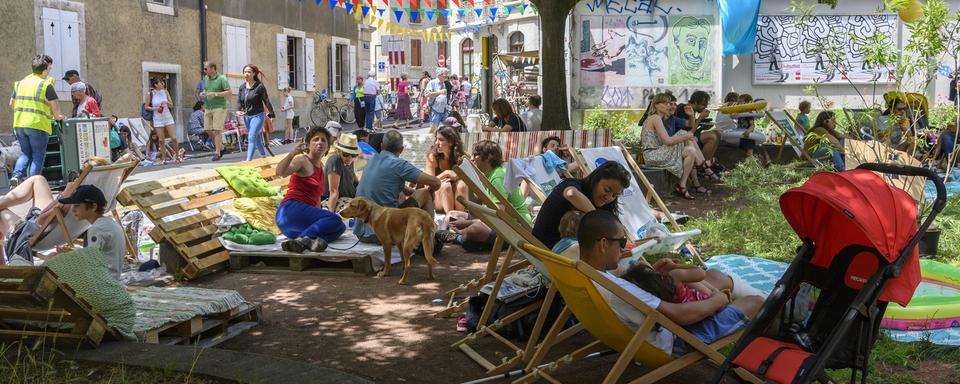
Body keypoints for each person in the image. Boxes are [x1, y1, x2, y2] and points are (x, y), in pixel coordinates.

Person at [577, 210, 763, 357]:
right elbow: (680, 316)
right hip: (675, 341)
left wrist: (654, 278)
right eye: (621, 241)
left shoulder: (579, 272)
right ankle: (780, 322)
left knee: (713, 275)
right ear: (602, 244)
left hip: (636, 334)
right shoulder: (617, 288)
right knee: (756, 302)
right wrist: (719, 300)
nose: (624, 248)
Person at [440, 140, 533, 252]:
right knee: (451, 215)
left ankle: (458, 237)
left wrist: (467, 223)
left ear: (488, 157)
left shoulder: (498, 177)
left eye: (476, 154)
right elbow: (479, 204)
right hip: (492, 220)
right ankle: (463, 238)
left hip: (513, 227)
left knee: (474, 230)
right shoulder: (488, 174)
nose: (473, 158)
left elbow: (499, 214)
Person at [0, 157, 112, 247]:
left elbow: (41, 220)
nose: (78, 176)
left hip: (40, 232)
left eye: (81, 173)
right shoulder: (104, 192)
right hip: (62, 229)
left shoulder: (78, 198)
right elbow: (126, 157)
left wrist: (65, 194)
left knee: (1, 212)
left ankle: (3, 266)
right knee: (38, 180)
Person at [354, 130, 441, 244]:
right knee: (425, 193)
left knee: (401, 195)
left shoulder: (372, 160)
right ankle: (429, 238)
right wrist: (429, 192)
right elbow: (436, 183)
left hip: (361, 233)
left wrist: (416, 191)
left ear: (382, 146)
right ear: (401, 149)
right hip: (386, 234)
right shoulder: (399, 165)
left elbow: (404, 190)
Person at [275, 125, 345, 253]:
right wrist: (292, 154)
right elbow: (280, 172)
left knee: (340, 228)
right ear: (308, 144)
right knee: (334, 219)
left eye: (324, 140)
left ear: (328, 148)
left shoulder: (321, 166)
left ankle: (305, 242)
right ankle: (303, 239)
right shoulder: (302, 160)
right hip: (290, 211)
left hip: (301, 220)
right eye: (315, 139)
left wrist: (325, 216)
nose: (320, 143)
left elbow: (317, 200)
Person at [531, 160, 631, 249]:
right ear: (596, 179)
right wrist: (599, 219)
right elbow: (571, 194)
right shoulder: (573, 185)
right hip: (547, 249)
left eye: (614, 195)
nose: (609, 197)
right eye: (607, 190)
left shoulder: (602, 202)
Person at [9, 55, 63, 187]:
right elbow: (55, 106)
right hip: (37, 124)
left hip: (19, 124)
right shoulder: (45, 85)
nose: (49, 71)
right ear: (45, 70)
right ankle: (32, 184)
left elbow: (11, 104)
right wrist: (58, 116)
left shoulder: (20, 83)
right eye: (49, 69)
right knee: (38, 156)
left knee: (25, 153)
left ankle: (16, 176)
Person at [641, 93, 706, 200]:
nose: (668, 106)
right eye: (666, 103)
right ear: (656, 105)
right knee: (682, 133)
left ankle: (682, 185)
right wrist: (686, 136)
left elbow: (690, 126)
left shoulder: (662, 118)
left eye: (669, 103)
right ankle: (702, 164)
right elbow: (668, 141)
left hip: (660, 153)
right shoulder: (655, 118)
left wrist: (691, 115)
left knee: (690, 151)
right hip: (652, 156)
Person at [56, 185, 127, 280]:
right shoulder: (109, 223)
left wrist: (70, 255)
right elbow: (98, 254)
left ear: (93, 206)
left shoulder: (97, 228)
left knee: (53, 259)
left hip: (101, 282)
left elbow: (91, 261)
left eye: (77, 205)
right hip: (111, 277)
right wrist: (73, 251)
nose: (73, 209)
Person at [425, 128, 469, 219]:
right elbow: (427, 185)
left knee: (462, 185)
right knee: (445, 186)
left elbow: (473, 179)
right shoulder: (432, 157)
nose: (436, 143)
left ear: (451, 142)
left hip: (457, 197)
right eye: (436, 139)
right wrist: (446, 173)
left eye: (441, 140)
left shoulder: (462, 157)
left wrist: (459, 176)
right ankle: (452, 221)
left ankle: (459, 219)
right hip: (438, 198)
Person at [236, 64, 275, 161]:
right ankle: (263, 156)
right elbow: (239, 101)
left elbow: (266, 100)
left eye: (249, 72)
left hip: (258, 116)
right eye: (245, 72)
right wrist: (239, 110)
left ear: (254, 74)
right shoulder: (242, 87)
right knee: (256, 138)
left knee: (251, 136)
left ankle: (248, 160)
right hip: (247, 117)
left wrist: (272, 114)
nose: (247, 74)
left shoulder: (259, 86)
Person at [200, 61, 232, 161]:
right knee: (207, 129)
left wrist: (216, 94)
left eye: (206, 69)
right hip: (208, 107)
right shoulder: (206, 78)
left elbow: (229, 92)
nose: (204, 71)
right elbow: (207, 90)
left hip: (219, 107)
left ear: (213, 68)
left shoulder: (222, 78)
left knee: (217, 129)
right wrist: (203, 93)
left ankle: (217, 153)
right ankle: (222, 147)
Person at [324, 133, 361, 212]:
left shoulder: (349, 160)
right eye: (346, 154)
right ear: (338, 151)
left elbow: (353, 177)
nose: (349, 158)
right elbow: (333, 191)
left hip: (351, 196)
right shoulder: (335, 160)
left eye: (353, 155)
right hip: (339, 200)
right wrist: (331, 215)